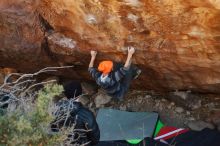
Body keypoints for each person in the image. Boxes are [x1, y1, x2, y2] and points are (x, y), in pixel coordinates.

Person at [50, 81, 100, 146]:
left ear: (65, 94)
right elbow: (95, 136)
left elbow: (53, 129)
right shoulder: (87, 114)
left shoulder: (55, 109)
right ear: (80, 93)